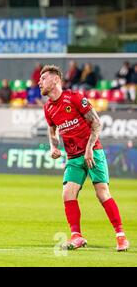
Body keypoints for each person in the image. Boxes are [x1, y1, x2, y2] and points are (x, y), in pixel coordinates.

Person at [39, 65, 129, 252]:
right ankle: (77, 236)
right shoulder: (48, 108)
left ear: (56, 79)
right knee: (67, 193)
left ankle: (121, 236)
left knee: (102, 193)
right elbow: (52, 129)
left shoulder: (75, 98)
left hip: (93, 152)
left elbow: (96, 123)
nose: (39, 82)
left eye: (44, 78)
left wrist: (89, 148)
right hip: (73, 157)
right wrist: (53, 146)